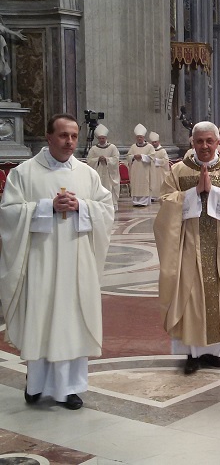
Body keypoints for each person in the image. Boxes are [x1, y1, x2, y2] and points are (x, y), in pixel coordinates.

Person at [0, 113, 114, 410]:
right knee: (42, 318)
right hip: (41, 260)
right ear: (49, 137)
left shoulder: (86, 174)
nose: (70, 142)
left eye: (74, 136)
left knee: (71, 320)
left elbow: (106, 208)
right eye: (63, 136)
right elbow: (8, 213)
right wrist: (46, 207)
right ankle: (36, 384)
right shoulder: (24, 173)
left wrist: (83, 206)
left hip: (77, 260)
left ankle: (69, 389)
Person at [154, 121, 220, 374]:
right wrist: (192, 194)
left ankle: (213, 351)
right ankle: (192, 352)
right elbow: (165, 203)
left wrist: (216, 193)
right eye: (199, 141)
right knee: (190, 294)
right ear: (192, 142)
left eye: (210, 141)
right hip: (188, 244)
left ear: (218, 142)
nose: (205, 146)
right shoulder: (178, 171)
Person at [86, 123, 121, 211]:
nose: (102, 140)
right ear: (98, 139)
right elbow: (89, 160)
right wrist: (98, 159)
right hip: (98, 172)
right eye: (100, 138)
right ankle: (100, 205)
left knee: (109, 188)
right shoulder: (94, 149)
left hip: (109, 174)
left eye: (103, 138)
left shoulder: (112, 147)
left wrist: (106, 159)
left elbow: (116, 159)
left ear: (106, 138)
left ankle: (112, 205)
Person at [126, 123, 154, 206]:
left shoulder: (149, 147)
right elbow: (128, 156)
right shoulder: (133, 147)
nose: (139, 138)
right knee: (135, 184)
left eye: (140, 137)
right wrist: (134, 156)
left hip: (145, 169)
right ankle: (136, 201)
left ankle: (144, 201)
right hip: (135, 170)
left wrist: (142, 156)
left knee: (145, 184)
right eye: (138, 137)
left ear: (143, 137)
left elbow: (152, 157)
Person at [149, 132, 169, 202]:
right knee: (153, 182)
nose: (154, 143)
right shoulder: (151, 151)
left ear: (158, 142)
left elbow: (166, 160)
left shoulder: (162, 150)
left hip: (160, 171)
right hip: (152, 170)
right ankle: (153, 196)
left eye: (155, 142)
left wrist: (157, 161)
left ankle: (160, 196)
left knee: (159, 182)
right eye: (152, 142)